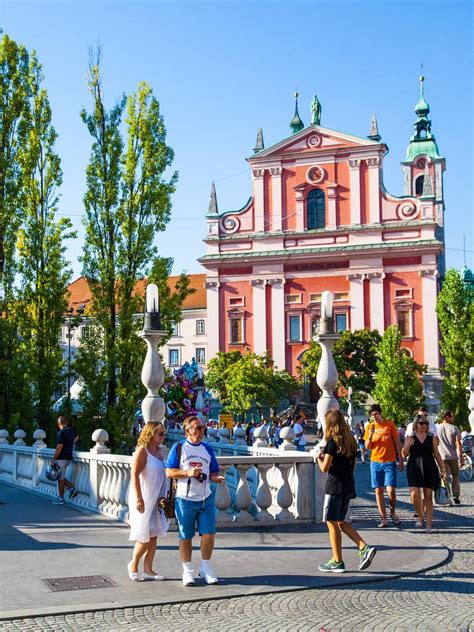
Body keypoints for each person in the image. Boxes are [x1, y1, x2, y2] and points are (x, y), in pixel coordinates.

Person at [165, 416, 225, 586]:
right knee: (186, 536)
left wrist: (215, 478)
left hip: (206, 498)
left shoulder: (207, 449)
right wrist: (188, 473)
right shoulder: (178, 448)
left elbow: (213, 471)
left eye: (202, 427)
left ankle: (206, 566)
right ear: (187, 431)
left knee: (209, 534)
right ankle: (187, 571)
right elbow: (169, 472)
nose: (201, 431)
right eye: (197, 428)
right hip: (185, 499)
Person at [316, 410, 377, 573]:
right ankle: (363, 547)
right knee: (341, 521)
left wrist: (318, 458)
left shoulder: (331, 442)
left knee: (331, 522)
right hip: (348, 484)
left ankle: (337, 561)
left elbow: (324, 468)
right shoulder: (350, 441)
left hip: (334, 485)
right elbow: (353, 465)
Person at [128, 421, 169, 581]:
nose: (162, 437)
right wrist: (139, 498)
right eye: (160, 433)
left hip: (157, 498)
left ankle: (148, 569)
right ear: (150, 433)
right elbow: (134, 475)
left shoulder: (159, 452)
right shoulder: (142, 451)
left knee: (153, 536)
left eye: (163, 434)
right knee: (143, 536)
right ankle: (133, 564)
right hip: (144, 497)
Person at [402, 414, 446, 532]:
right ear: (416, 424)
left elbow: (437, 454)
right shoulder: (410, 437)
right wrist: (407, 445)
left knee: (428, 496)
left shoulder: (431, 437)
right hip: (414, 467)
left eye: (426, 424)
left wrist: (443, 469)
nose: (424, 426)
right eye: (421, 423)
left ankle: (429, 524)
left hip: (429, 467)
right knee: (414, 495)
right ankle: (420, 516)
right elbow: (403, 454)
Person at [364, 404, 404, 528]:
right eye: (371, 415)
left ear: (381, 413)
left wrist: (401, 458)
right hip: (375, 462)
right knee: (378, 490)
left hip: (389, 461)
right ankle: (384, 518)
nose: (374, 417)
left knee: (391, 490)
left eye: (376, 414)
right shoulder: (370, 427)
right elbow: (367, 446)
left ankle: (392, 512)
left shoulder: (389, 424)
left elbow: (397, 442)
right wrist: (370, 435)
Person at [436, 411, 464, 505]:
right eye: (452, 416)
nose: (453, 418)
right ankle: (456, 496)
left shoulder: (436, 428)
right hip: (453, 456)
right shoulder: (454, 428)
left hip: (441, 456)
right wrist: (461, 457)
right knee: (455, 475)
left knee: (445, 476)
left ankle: (447, 496)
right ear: (447, 417)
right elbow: (458, 444)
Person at [50, 416, 78, 505]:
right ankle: (71, 489)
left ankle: (61, 498)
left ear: (59, 424)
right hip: (68, 457)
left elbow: (59, 447)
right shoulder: (71, 431)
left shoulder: (61, 433)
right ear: (66, 422)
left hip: (61, 457)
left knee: (60, 478)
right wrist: (70, 444)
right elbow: (77, 437)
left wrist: (53, 459)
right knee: (60, 476)